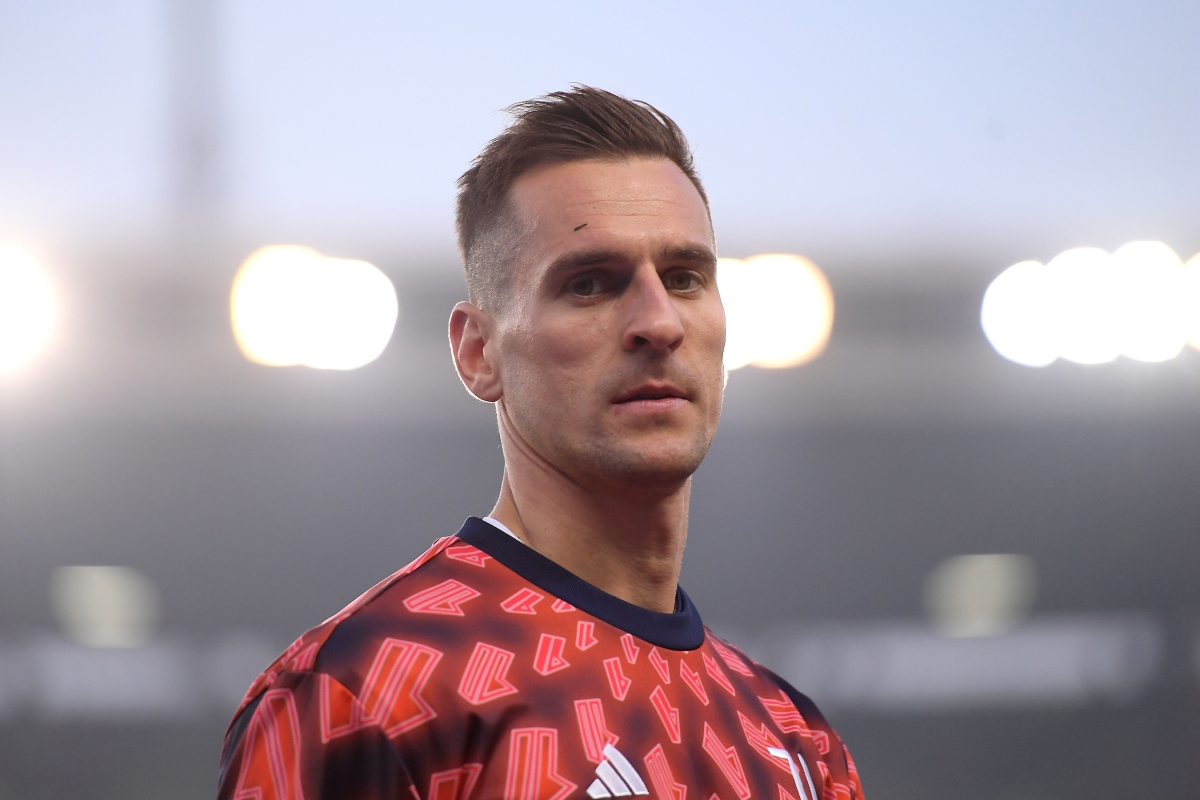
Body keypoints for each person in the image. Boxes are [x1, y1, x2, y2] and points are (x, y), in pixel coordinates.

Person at [216, 86, 863, 800]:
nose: (659, 322)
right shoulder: (367, 694)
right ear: (478, 353)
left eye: (684, 278)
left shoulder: (797, 743)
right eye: (589, 285)